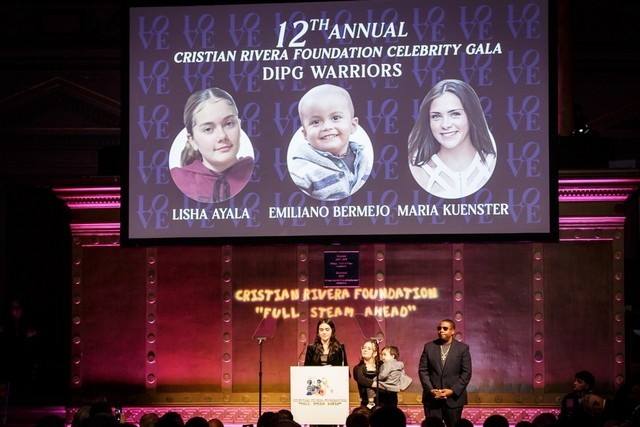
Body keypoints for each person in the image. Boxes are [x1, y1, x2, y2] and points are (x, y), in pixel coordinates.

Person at [408, 79, 496, 199]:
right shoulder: (419, 173)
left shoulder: (493, 164)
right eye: (436, 116)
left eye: (455, 114)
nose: (445, 125)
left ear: (472, 116)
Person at [288, 83, 373, 201]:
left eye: (335, 118)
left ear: (353, 125)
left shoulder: (362, 159)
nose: (327, 127)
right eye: (316, 122)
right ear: (305, 133)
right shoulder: (301, 170)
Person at [170, 87, 254, 203]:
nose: (222, 136)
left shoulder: (258, 170)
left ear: (239, 126)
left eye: (229, 124)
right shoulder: (177, 179)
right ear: (192, 140)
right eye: (208, 129)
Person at [418, 319, 472, 427]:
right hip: (433, 398)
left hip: (453, 399)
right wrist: (431, 390)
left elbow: (466, 373)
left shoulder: (462, 349)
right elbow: (423, 370)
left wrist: (452, 391)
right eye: (439, 328)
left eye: (445, 328)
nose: (441, 330)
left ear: (453, 331)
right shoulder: (429, 347)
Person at [353, 339, 397, 408]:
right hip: (368, 404)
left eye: (369, 349)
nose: (365, 350)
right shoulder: (358, 368)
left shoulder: (382, 365)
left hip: (385, 403)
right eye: (363, 348)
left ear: (375, 353)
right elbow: (362, 380)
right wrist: (381, 386)